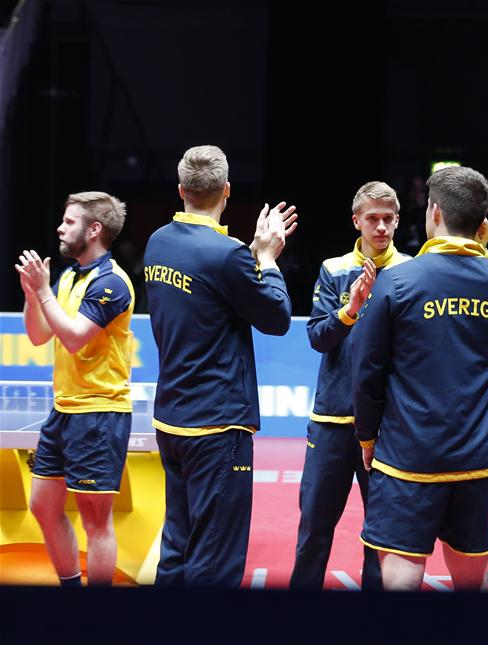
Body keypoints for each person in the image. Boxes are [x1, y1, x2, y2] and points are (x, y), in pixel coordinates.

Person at [351, 166, 488, 591]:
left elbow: (367, 372)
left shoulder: (394, 282)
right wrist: (479, 247)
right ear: (482, 223)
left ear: (433, 213)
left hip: (407, 460)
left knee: (401, 584)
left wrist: (367, 437)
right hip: (476, 463)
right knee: (470, 584)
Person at [143, 145, 296, 587]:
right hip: (216, 426)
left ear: (180, 190)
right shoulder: (228, 255)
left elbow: (211, 283)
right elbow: (277, 318)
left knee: (177, 546)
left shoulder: (158, 241)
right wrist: (265, 259)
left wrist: (247, 256)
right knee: (215, 559)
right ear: (227, 190)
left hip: (171, 421)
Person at [289, 181, 409, 591]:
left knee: (381, 535)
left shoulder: (410, 272)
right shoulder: (334, 268)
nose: (380, 227)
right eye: (371, 219)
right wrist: (351, 308)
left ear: (397, 221)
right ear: (356, 220)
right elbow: (318, 336)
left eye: (387, 219)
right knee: (314, 528)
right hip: (331, 421)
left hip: (386, 425)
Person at [15, 191, 134, 586]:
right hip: (63, 411)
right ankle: (70, 589)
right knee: (43, 507)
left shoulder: (112, 283)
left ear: (94, 229)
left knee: (94, 520)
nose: (60, 228)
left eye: (69, 222)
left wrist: (44, 292)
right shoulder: (68, 278)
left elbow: (73, 338)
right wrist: (34, 295)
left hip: (99, 414)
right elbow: (38, 336)